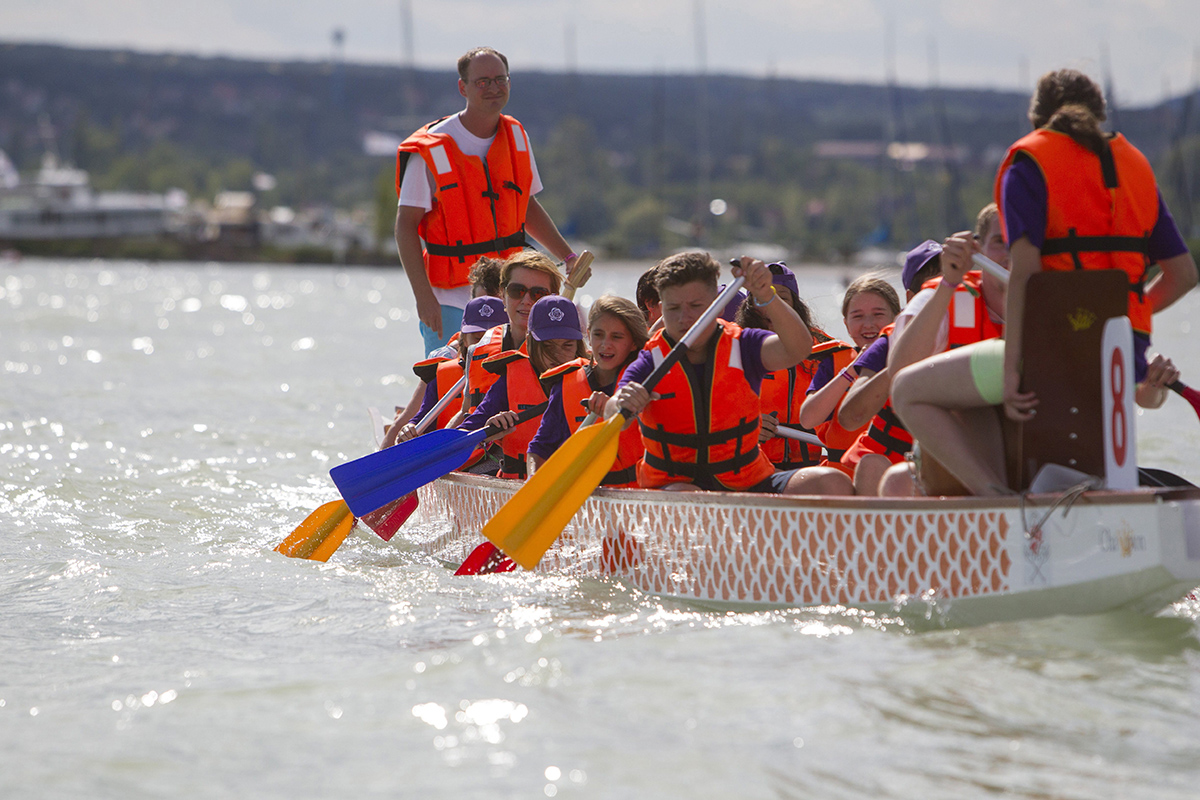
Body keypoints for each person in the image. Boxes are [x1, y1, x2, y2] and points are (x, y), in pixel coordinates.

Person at [891, 68, 1197, 496]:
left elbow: (1027, 274)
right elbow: (1184, 276)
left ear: (1038, 120)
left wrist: (1018, 362)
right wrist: (1112, 317)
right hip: (1123, 353)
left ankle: (997, 503)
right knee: (969, 398)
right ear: (1098, 116)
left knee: (907, 389)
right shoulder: (1135, 166)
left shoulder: (1029, 163)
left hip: (1051, 350)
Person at [606, 252, 849, 495]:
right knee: (687, 494)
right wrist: (622, 403)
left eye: (695, 306)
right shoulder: (652, 358)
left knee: (831, 482)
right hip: (676, 485)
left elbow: (798, 349)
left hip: (746, 481)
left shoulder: (743, 344)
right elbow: (613, 409)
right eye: (673, 308)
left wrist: (766, 296)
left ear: (716, 303)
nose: (684, 318)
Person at [395, 46, 579, 353]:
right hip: (449, 299)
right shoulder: (429, 150)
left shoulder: (517, 136)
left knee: (508, 384)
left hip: (509, 296)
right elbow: (405, 227)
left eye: (500, 79)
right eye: (482, 81)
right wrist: (423, 298)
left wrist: (568, 257)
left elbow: (526, 207)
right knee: (447, 381)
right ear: (462, 87)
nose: (493, 88)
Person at [825, 242, 946, 495]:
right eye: (936, 286)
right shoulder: (887, 343)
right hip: (891, 465)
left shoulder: (982, 329)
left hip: (949, 461)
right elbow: (849, 417)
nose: (948, 294)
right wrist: (900, 363)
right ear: (913, 299)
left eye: (956, 284)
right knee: (872, 466)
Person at [461, 295, 590, 479]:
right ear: (530, 342)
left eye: (567, 346)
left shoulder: (591, 377)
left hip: (575, 481)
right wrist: (487, 433)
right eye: (548, 346)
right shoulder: (510, 379)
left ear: (578, 345)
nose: (557, 356)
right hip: (518, 484)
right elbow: (466, 431)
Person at [528, 295, 650, 485]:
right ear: (588, 334)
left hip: (637, 500)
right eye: (598, 334)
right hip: (585, 500)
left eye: (616, 337)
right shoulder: (564, 386)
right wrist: (533, 480)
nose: (605, 344)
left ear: (634, 342)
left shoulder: (647, 379)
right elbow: (540, 447)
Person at [797, 274, 900, 478]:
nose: (868, 324)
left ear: (897, 318)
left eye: (878, 314)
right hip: (844, 476)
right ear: (846, 324)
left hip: (894, 475)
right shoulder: (834, 363)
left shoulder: (916, 358)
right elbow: (808, 419)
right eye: (858, 316)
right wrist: (854, 369)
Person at [384, 295, 508, 449]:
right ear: (464, 340)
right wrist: (409, 429)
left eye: (490, 339)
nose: (483, 346)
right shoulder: (442, 375)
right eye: (477, 339)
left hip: (493, 459)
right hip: (451, 457)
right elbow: (422, 419)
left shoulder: (513, 374)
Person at [734, 263, 826, 471]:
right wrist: (746, 424)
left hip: (808, 463)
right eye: (761, 299)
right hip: (753, 462)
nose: (770, 307)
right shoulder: (733, 348)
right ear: (749, 306)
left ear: (795, 305)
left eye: (782, 298)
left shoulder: (826, 350)